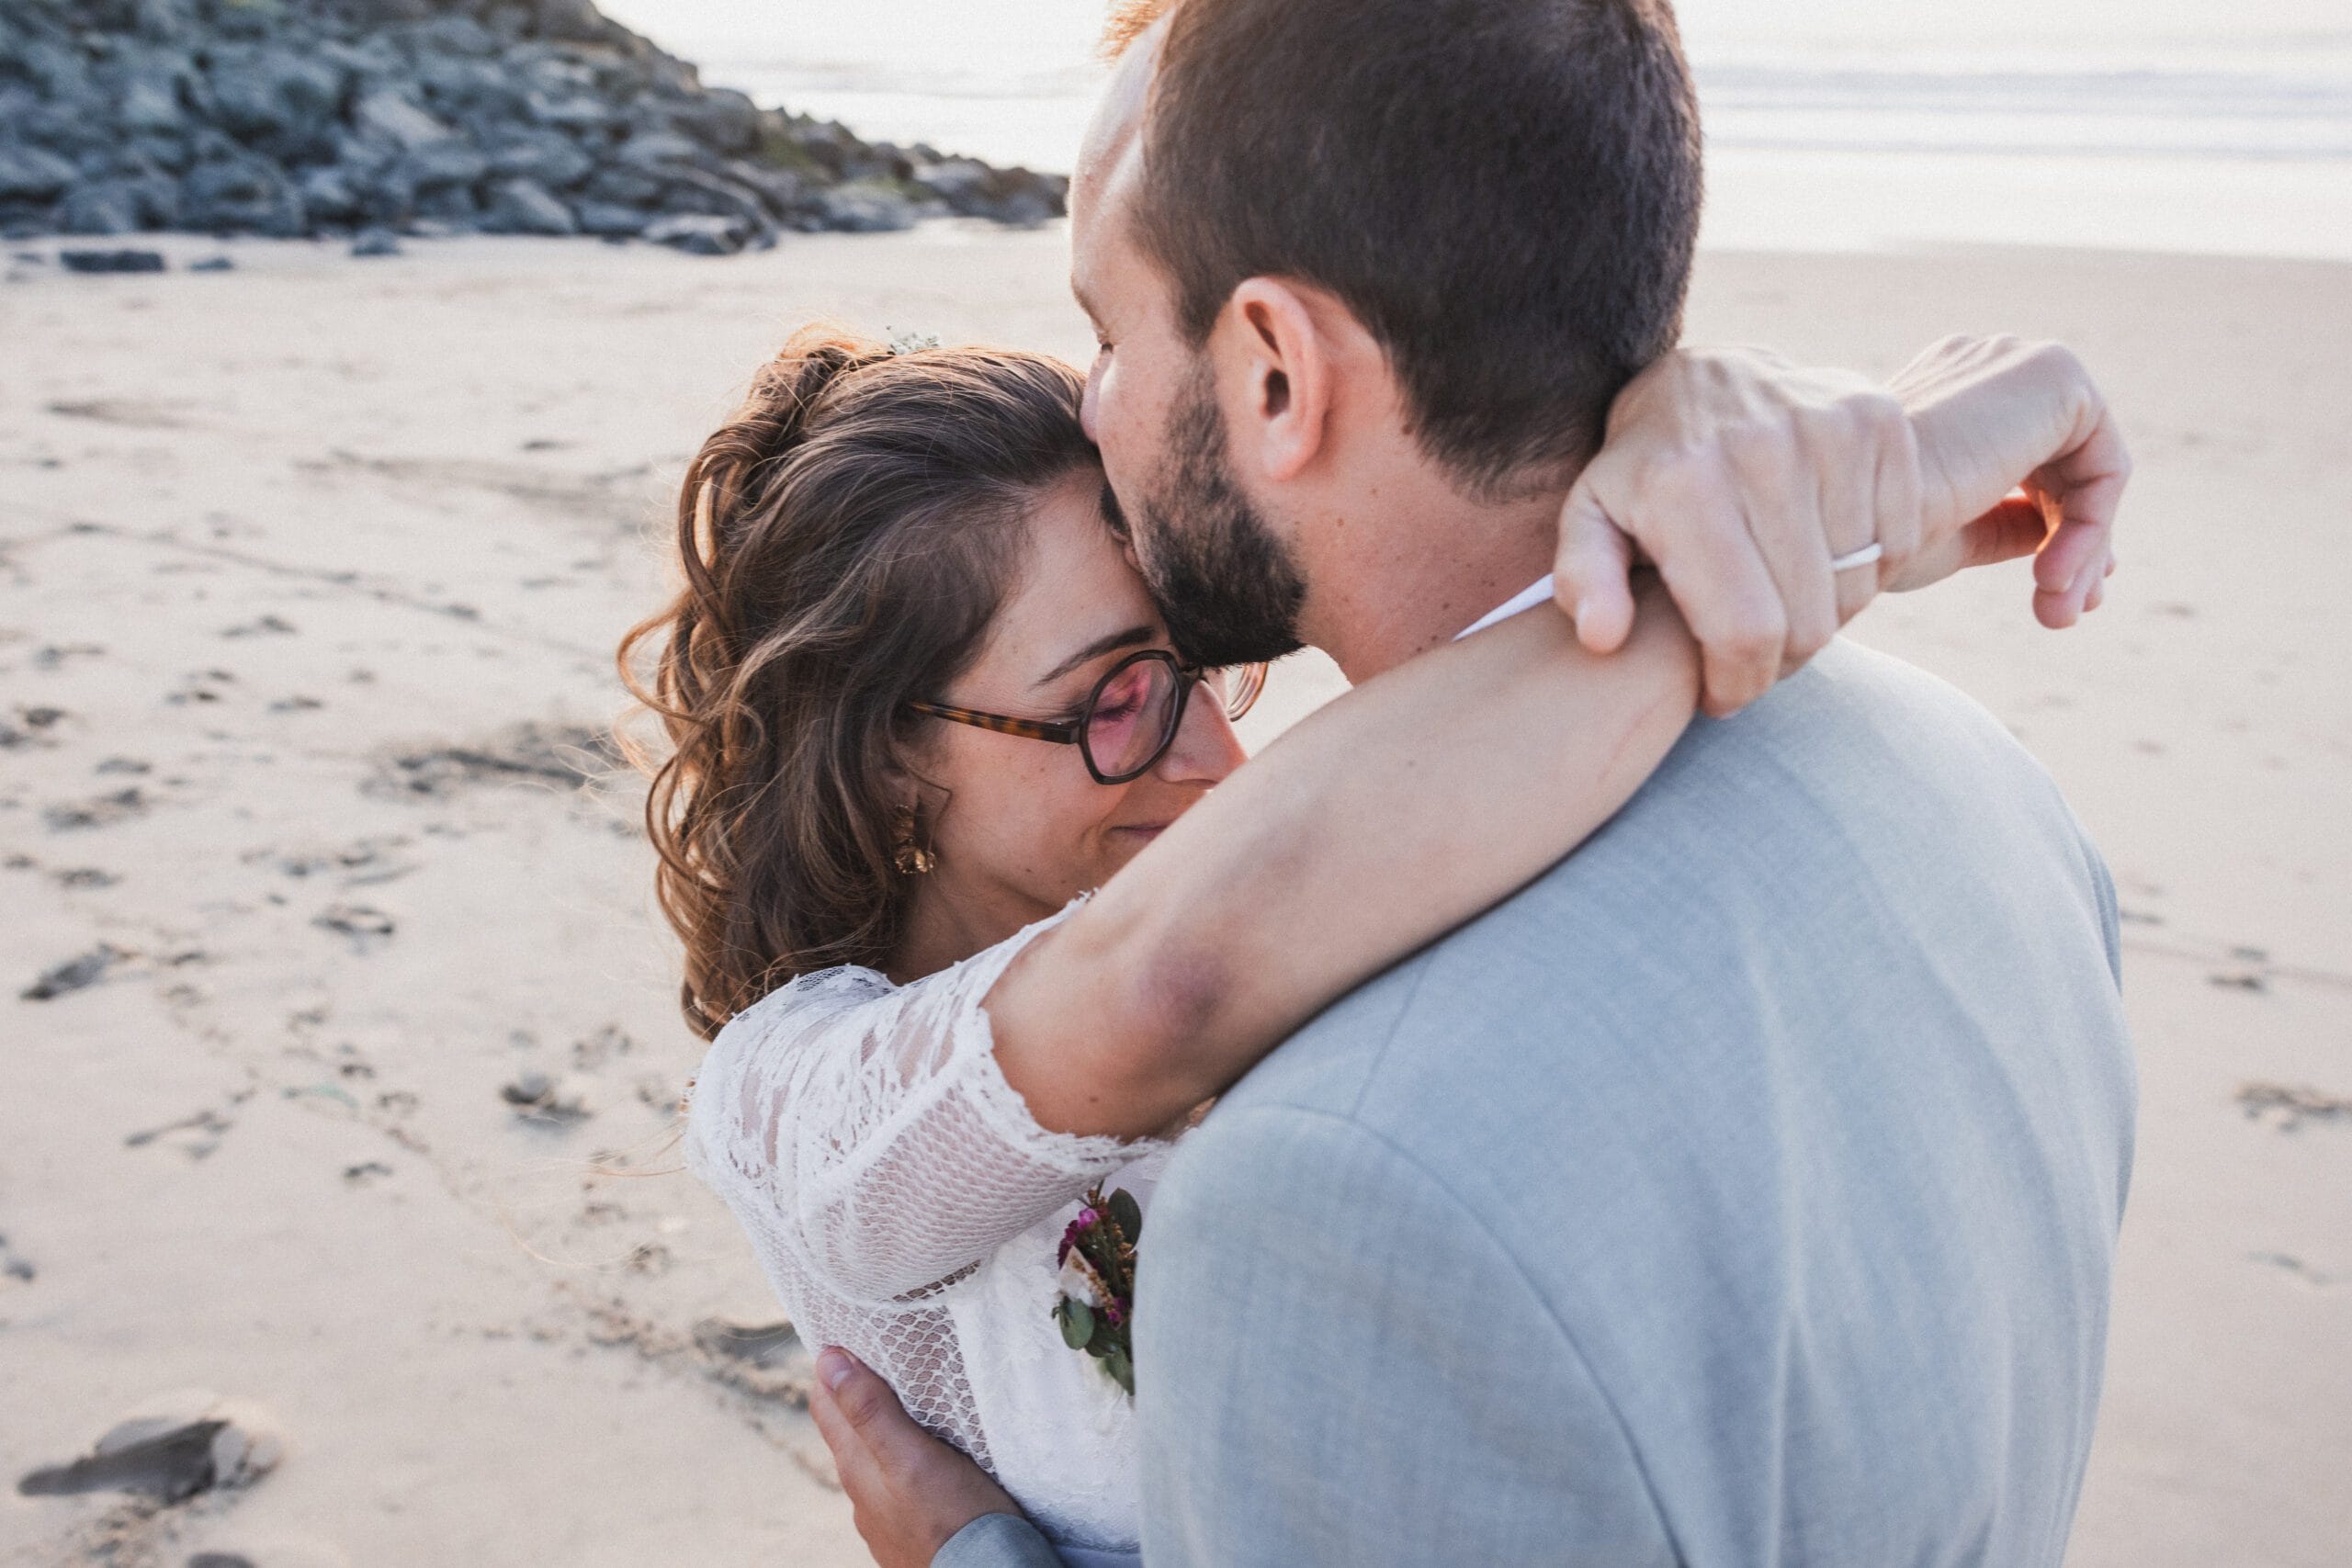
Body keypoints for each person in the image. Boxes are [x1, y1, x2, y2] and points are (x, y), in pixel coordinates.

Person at [805, 4, 2135, 1567]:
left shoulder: (1336, 1189)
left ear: (1278, 377)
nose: (1092, 408)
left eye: (1109, 331)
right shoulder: (1979, 783)